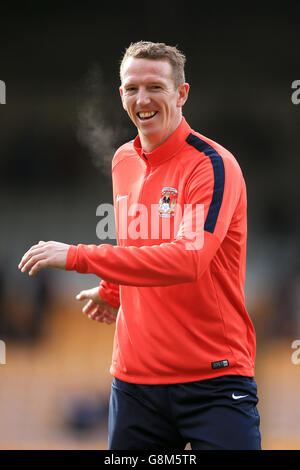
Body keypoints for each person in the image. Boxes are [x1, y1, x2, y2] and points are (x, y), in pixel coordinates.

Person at [18, 41, 261, 450]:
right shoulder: (122, 161)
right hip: (135, 384)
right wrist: (114, 290)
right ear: (121, 96)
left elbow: (189, 258)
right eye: (131, 89)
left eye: (155, 87)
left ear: (181, 94)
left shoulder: (212, 165)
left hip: (214, 381)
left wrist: (77, 256)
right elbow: (137, 239)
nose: (142, 99)